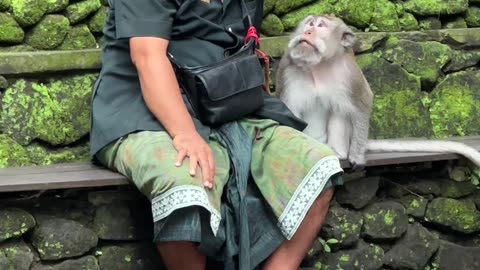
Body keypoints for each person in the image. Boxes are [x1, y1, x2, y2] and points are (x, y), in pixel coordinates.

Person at [89, 0, 344, 269]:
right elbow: (147, 57)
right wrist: (185, 132)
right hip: (144, 113)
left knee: (319, 165)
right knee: (186, 178)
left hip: (229, 107)